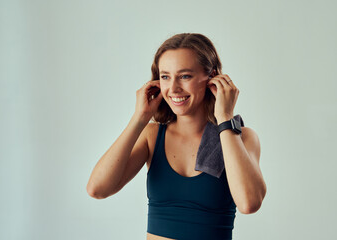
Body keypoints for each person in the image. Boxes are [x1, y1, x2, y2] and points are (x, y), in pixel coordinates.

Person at [86, 33, 267, 240]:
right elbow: (97, 189)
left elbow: (248, 203)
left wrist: (225, 118)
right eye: (165, 76)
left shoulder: (240, 137)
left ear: (212, 78)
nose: (173, 88)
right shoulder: (152, 136)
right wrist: (139, 119)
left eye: (185, 76)